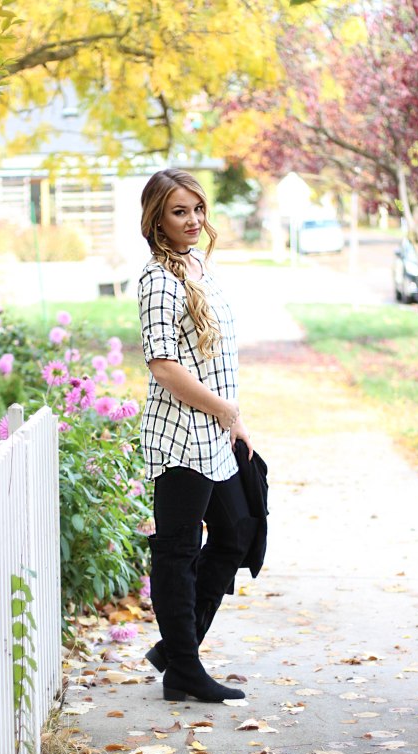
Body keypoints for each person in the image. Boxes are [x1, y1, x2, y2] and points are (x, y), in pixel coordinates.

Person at [138, 168, 259, 703]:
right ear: (157, 219)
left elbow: (215, 358)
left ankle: (175, 649)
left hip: (215, 429)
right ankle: (184, 667)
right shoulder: (158, 280)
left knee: (237, 533)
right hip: (181, 436)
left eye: (197, 210)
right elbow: (163, 366)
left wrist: (234, 421)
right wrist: (224, 411)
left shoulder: (197, 267)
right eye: (179, 212)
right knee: (177, 550)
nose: (192, 221)